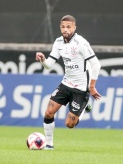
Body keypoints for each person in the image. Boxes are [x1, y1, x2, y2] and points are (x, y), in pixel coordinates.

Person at [35, 15, 101, 150]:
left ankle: (85, 103)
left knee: (69, 124)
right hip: (66, 84)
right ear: (60, 28)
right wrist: (42, 59)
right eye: (63, 27)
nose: (65, 29)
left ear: (74, 28)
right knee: (48, 112)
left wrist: (92, 87)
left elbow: (96, 64)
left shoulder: (81, 43)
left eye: (68, 27)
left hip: (82, 88)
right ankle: (49, 145)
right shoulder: (58, 42)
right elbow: (48, 65)